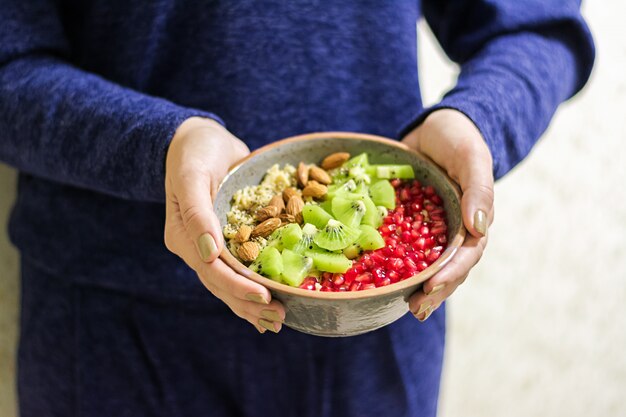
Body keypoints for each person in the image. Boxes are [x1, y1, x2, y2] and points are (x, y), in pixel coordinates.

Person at [0, 1, 593, 416]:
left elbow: (539, 24)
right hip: (108, 333)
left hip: (374, 326)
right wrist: (161, 144)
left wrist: (477, 120)